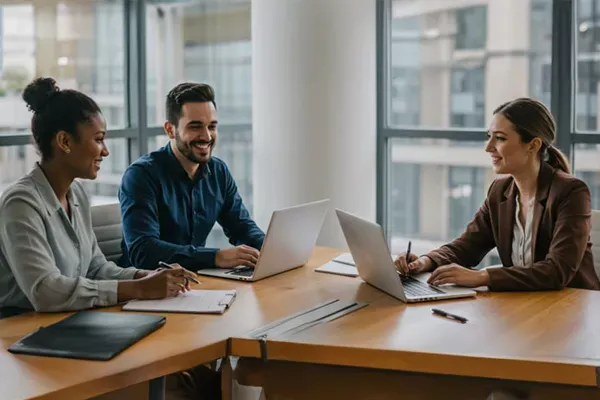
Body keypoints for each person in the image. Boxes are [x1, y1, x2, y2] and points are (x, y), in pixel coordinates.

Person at [0, 77, 197, 315]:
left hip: (71, 321)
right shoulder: (20, 203)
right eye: (98, 139)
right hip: (21, 328)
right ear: (64, 141)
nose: (105, 150)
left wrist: (146, 276)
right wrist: (138, 289)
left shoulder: (77, 194)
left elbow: (95, 267)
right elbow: (45, 291)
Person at [395, 97, 600, 291]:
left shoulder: (571, 192)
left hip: (572, 308)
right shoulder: (500, 191)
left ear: (533, 145)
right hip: (525, 305)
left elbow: (557, 271)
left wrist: (484, 277)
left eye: (500, 138)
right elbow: (467, 246)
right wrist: (425, 261)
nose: (488, 147)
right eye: (489, 137)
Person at [118, 82, 264, 271]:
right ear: (170, 130)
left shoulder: (218, 171)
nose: (207, 136)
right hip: (147, 288)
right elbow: (143, 251)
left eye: (212, 126)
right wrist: (216, 257)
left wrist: (271, 251)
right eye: (195, 127)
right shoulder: (141, 176)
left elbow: (243, 228)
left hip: (195, 285)